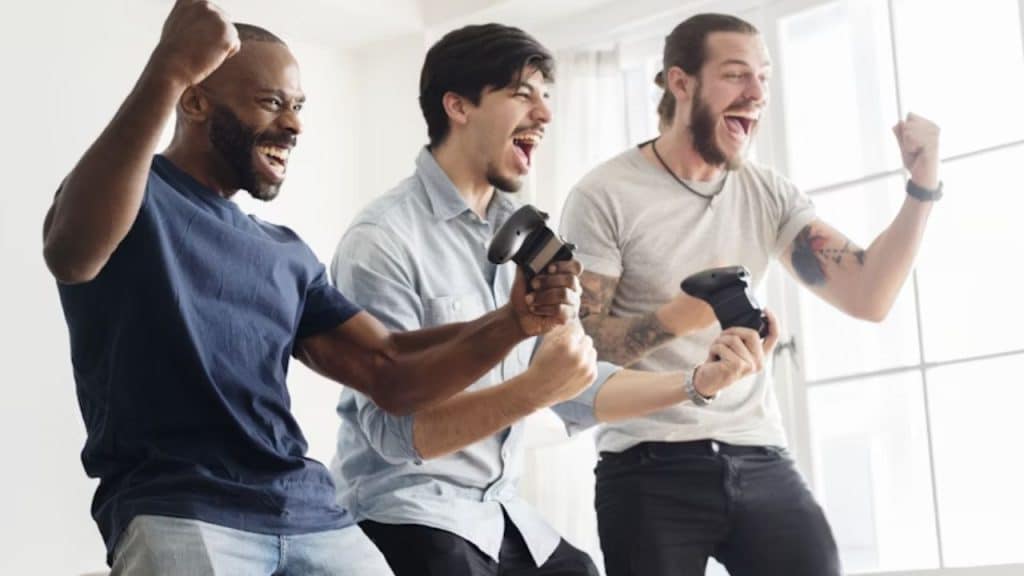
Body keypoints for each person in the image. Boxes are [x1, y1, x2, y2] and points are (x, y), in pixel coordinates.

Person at [42, 2, 579, 573]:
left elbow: (390, 368)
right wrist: (170, 67)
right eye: (272, 102)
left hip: (308, 513)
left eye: (297, 106)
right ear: (196, 101)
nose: (294, 125)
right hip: (183, 507)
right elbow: (71, 253)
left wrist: (514, 323)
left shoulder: (285, 252)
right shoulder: (134, 198)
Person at [329, 23, 776, 576]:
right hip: (405, 513)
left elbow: (575, 384)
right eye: (523, 94)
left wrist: (696, 385)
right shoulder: (383, 240)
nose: (544, 114)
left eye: (548, 97)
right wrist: (531, 390)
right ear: (458, 106)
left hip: (500, 510)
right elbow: (395, 436)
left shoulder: (528, 238)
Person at [560, 12, 942, 576]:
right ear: (680, 83)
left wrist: (922, 187)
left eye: (763, 76)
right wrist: (680, 318)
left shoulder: (765, 192)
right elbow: (582, 352)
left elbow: (868, 295)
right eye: (737, 75)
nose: (758, 92)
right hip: (646, 463)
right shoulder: (605, 195)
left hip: (757, 451)